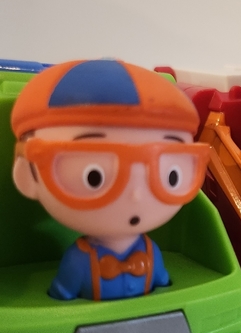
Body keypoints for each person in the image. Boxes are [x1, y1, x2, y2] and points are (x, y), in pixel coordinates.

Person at [11, 58, 210, 301]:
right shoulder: (78, 259)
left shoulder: (151, 252)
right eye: (93, 176)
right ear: (27, 174)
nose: (136, 194)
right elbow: (62, 294)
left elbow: (163, 281)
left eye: (171, 175)